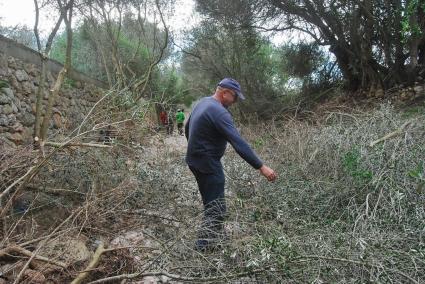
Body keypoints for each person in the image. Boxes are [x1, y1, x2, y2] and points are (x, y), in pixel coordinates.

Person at [185, 78, 277, 251]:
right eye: (234, 97)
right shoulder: (219, 112)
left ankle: (215, 237)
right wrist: (261, 167)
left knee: (210, 202)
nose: (235, 102)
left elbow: (187, 128)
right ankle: (202, 249)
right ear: (224, 92)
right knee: (217, 209)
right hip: (208, 164)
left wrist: (195, 148)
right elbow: (239, 143)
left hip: (194, 161)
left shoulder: (202, 102)